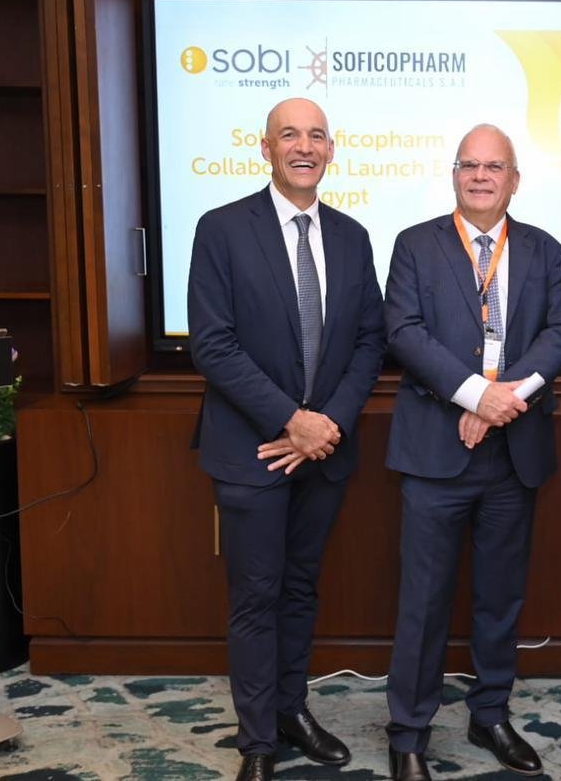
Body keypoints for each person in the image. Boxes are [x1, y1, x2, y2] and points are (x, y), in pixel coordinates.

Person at [187, 97, 386, 781]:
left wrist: (326, 425)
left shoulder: (353, 236)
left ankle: (291, 710)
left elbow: (369, 342)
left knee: (301, 588)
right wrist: (289, 421)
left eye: (317, 135)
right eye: (290, 135)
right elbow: (213, 345)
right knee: (256, 595)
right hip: (252, 449)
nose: (305, 146)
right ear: (266, 148)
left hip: (324, 451)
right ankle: (257, 741)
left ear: (331, 150)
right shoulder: (221, 229)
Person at [382, 124, 561, 781]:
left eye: (495, 167)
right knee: (424, 600)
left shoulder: (545, 249)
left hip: (512, 454)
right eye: (470, 165)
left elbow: (560, 333)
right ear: (455, 175)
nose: (481, 176)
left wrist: (500, 401)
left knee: (501, 597)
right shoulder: (415, 245)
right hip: (435, 452)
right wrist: (473, 395)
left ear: (515, 179)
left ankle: (490, 714)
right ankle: (409, 732)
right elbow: (403, 332)